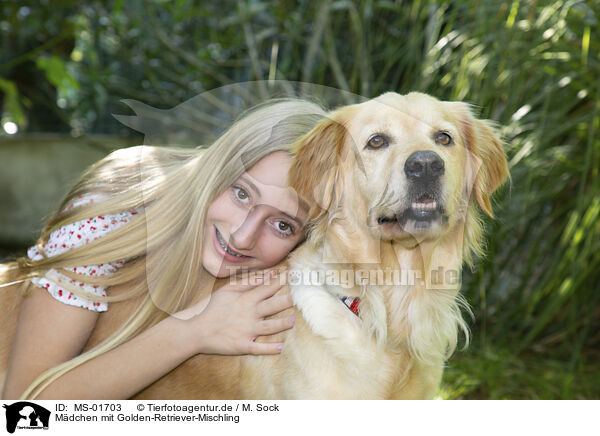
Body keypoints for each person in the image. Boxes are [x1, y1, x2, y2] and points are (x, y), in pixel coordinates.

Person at [0, 98, 325, 400]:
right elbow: (25, 406)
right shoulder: (113, 211)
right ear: (217, 168)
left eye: (282, 225)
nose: (242, 238)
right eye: (241, 194)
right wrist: (194, 330)